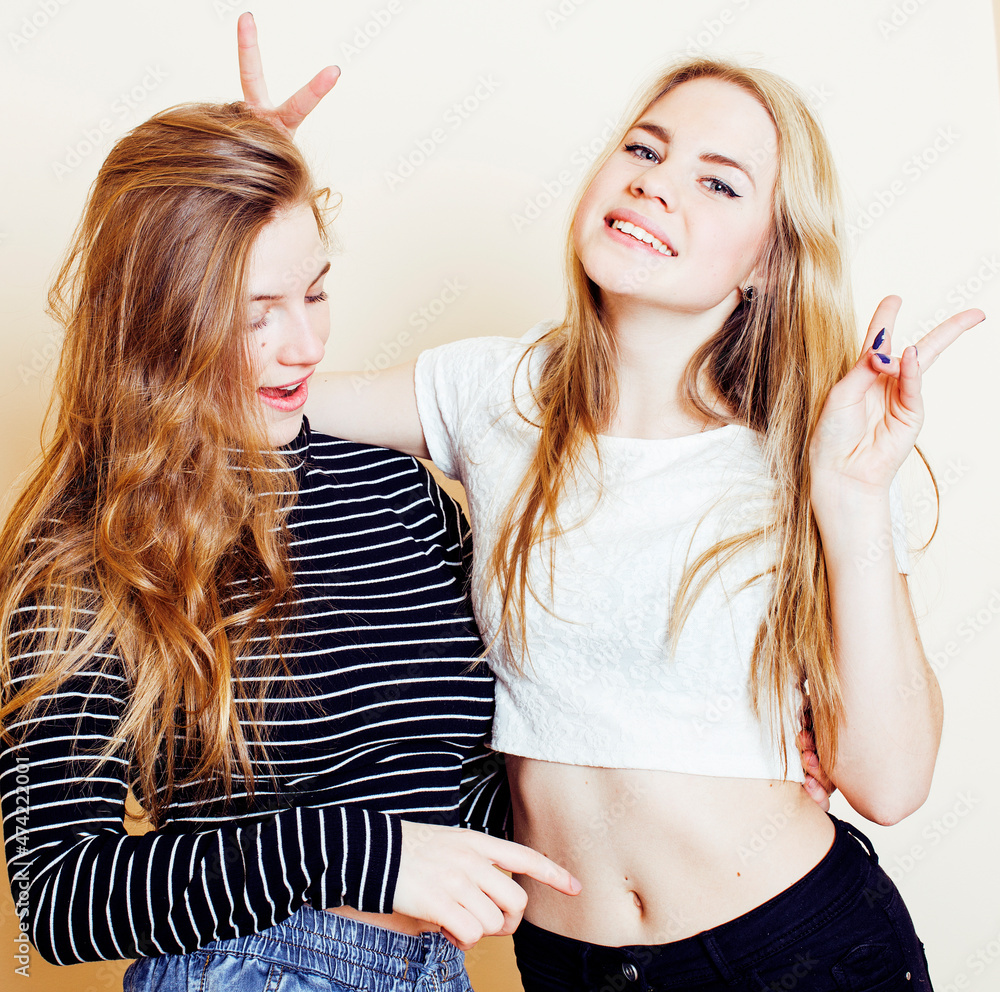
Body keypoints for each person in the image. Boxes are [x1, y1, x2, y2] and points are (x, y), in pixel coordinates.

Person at [252, 27, 985, 992]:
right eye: (644, 149)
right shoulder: (494, 390)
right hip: (568, 965)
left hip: (797, 950)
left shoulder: (820, 447)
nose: (656, 182)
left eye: (719, 182)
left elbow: (889, 784)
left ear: (770, 259)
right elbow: (238, 396)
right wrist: (241, 203)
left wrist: (852, 499)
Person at [0, 99, 586, 992]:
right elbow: (61, 900)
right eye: (254, 313)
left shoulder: (395, 488)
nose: (305, 345)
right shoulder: (90, 547)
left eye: (314, 291)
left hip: (436, 971)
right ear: (162, 317)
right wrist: (356, 853)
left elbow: (474, 764)